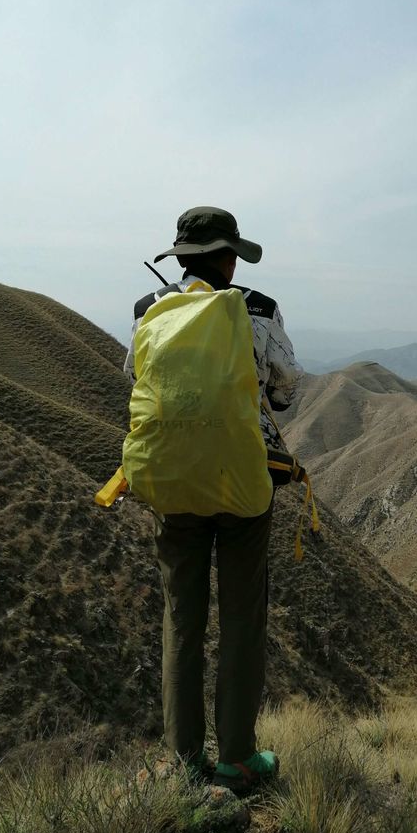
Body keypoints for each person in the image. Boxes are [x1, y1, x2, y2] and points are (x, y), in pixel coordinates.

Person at [124, 205, 303, 791]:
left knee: (182, 617)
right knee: (242, 618)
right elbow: (286, 387)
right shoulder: (259, 309)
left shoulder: (149, 310)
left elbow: (136, 379)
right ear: (229, 259)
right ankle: (237, 758)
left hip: (174, 483)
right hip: (244, 482)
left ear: (181, 258)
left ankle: (182, 760)